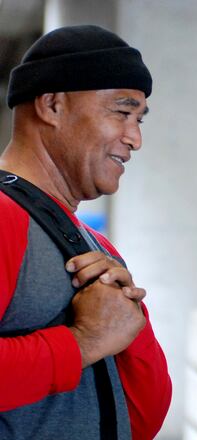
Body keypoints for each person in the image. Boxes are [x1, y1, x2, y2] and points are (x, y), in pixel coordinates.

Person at [0, 25, 171, 439]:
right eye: (121, 112)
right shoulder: (4, 217)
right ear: (53, 106)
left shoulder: (99, 247)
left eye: (139, 119)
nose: (135, 138)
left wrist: (129, 321)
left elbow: (142, 418)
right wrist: (81, 341)